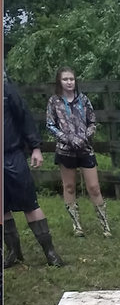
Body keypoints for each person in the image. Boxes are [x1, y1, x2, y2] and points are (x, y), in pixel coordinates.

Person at [3, 78, 64, 268]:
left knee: (30, 203)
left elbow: (24, 118)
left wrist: (35, 147)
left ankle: (50, 252)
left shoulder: (6, 90)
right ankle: (14, 252)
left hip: (12, 154)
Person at [46, 67, 111, 238]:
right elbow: (50, 125)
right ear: (59, 81)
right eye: (65, 79)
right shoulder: (54, 101)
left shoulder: (84, 100)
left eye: (72, 79)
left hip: (85, 149)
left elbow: (93, 122)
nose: (69, 82)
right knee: (69, 186)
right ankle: (77, 226)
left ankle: (105, 226)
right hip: (65, 150)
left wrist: (84, 137)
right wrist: (67, 138)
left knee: (94, 187)